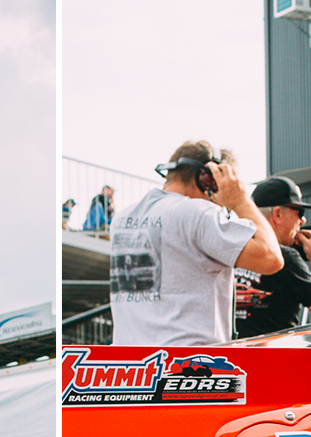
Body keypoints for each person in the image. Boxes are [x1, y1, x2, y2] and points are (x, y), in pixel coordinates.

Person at [108, 141, 282, 345]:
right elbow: (271, 258)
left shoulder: (123, 218)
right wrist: (240, 200)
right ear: (207, 179)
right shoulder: (199, 214)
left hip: (133, 364)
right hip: (189, 362)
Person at [235, 177, 311, 339]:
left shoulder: (232, 248)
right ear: (277, 214)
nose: (302, 220)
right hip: (273, 359)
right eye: (299, 212)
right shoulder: (286, 258)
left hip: (231, 357)